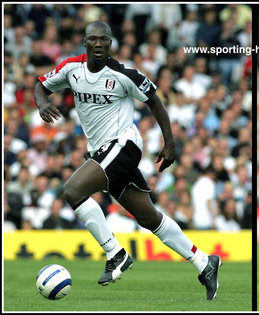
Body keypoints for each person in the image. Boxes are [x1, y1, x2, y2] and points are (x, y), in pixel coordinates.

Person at [34, 21, 222, 300]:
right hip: (102, 151)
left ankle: (115, 254)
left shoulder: (124, 74)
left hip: (124, 144)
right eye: (93, 39)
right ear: (84, 42)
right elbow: (40, 86)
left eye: (104, 40)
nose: (99, 44)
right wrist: (42, 103)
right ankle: (204, 262)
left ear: (111, 44)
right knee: (148, 217)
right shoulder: (71, 68)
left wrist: (169, 144)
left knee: (73, 191)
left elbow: (155, 101)